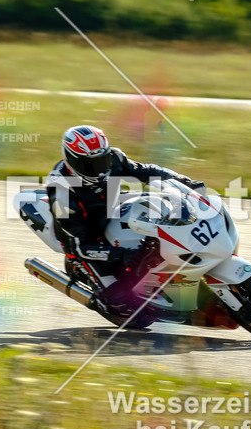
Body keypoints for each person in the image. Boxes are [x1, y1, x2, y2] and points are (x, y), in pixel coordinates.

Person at [46, 125, 203, 317]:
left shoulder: (114, 158)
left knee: (163, 215)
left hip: (113, 209)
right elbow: (79, 247)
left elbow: (147, 171)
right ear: (72, 160)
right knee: (121, 302)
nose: (100, 169)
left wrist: (184, 182)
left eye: (103, 160)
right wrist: (121, 254)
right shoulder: (62, 193)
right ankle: (103, 296)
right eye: (91, 165)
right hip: (85, 238)